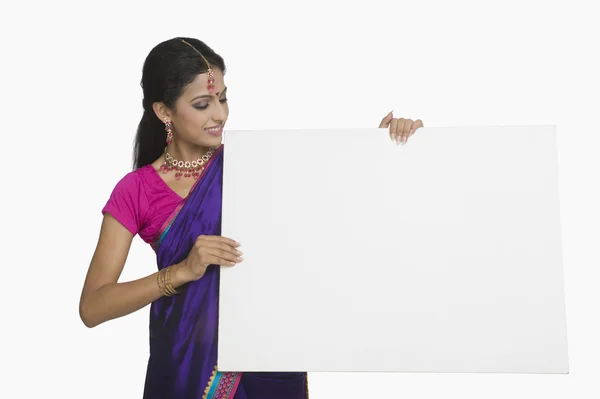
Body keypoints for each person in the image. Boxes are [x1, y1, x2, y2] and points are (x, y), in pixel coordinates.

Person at [78, 37, 424, 399]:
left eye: (223, 98)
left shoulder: (256, 163)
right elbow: (93, 306)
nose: (221, 115)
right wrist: (182, 271)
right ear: (164, 111)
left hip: (268, 363)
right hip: (185, 373)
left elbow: (336, 211)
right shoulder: (136, 190)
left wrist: (384, 150)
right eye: (202, 104)